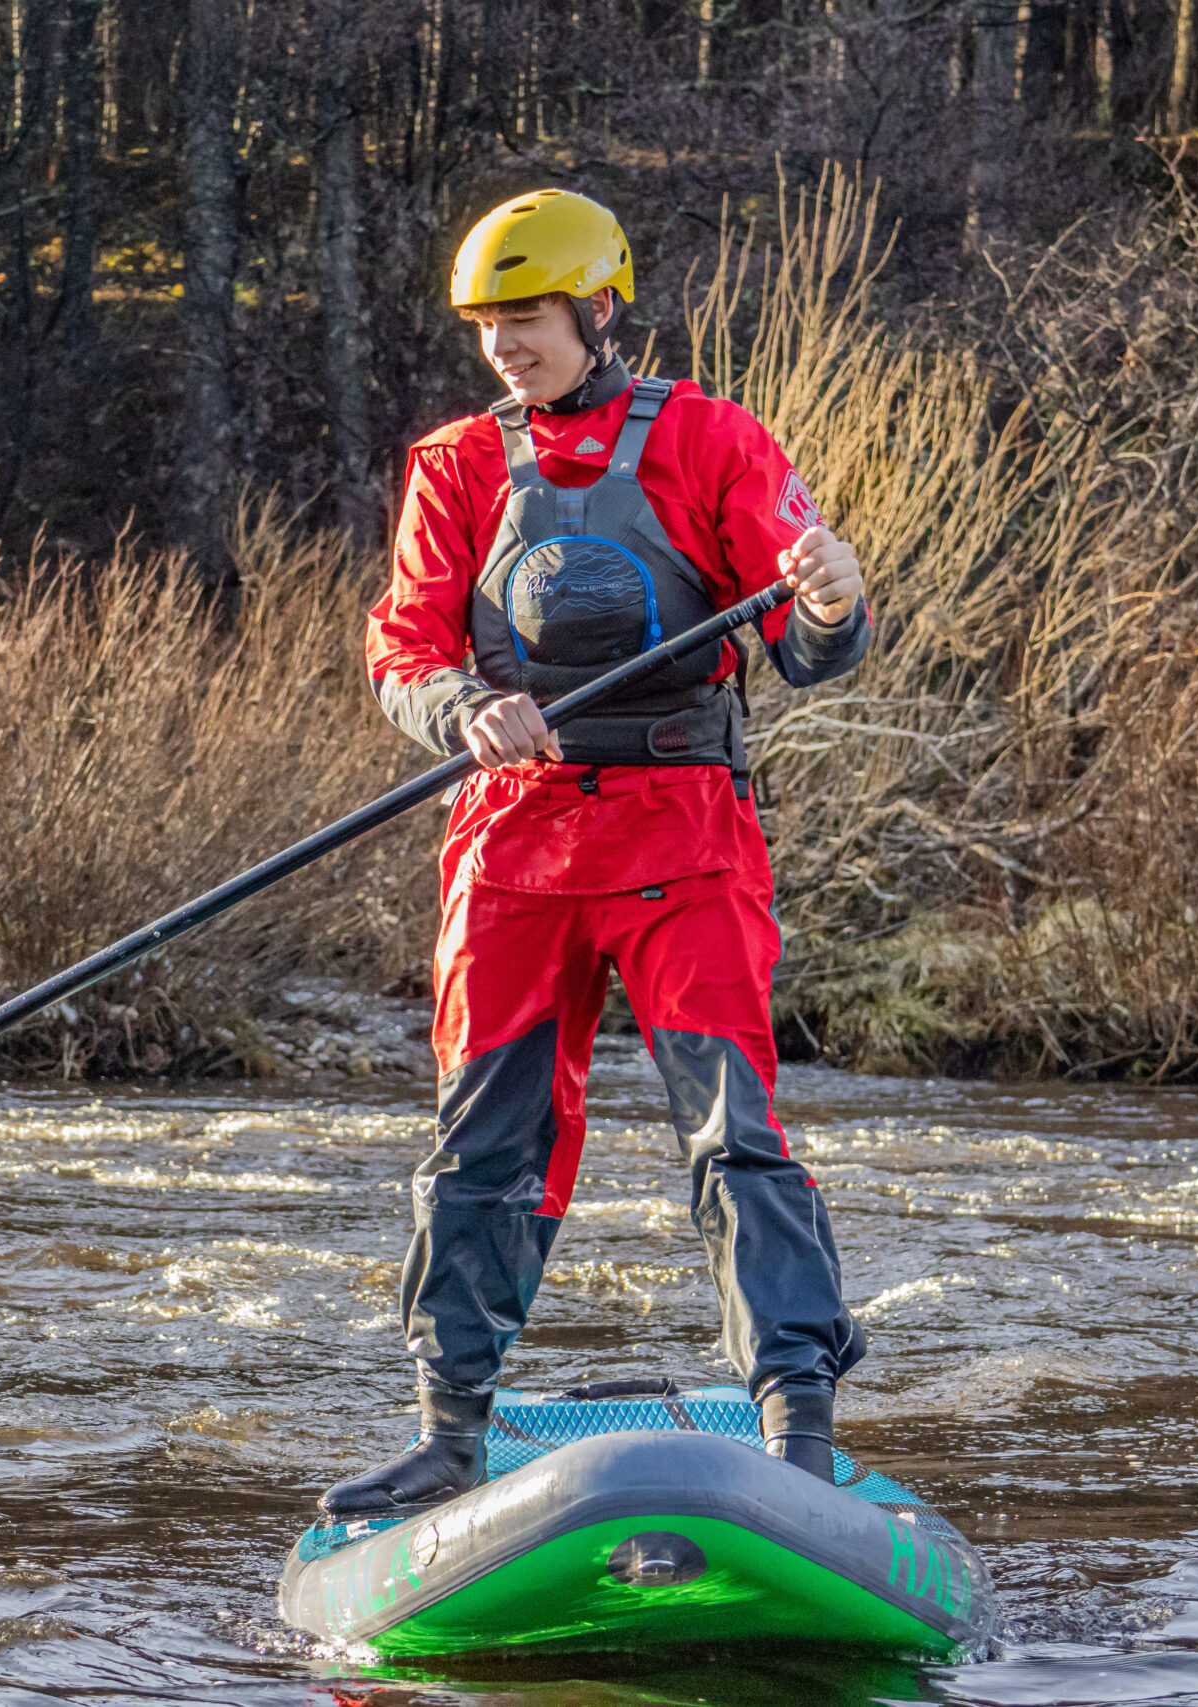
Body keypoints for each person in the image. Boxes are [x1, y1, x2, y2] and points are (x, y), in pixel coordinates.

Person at [323, 188, 874, 1517]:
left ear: (599, 308)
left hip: (682, 830)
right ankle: (450, 1430)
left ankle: (795, 1419)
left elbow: (803, 641)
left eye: (528, 317)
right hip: (513, 843)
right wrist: (462, 705)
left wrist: (834, 601)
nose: (507, 343)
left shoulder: (711, 441)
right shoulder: (454, 465)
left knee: (733, 1131)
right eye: (488, 324)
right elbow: (402, 649)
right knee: (482, 1146)